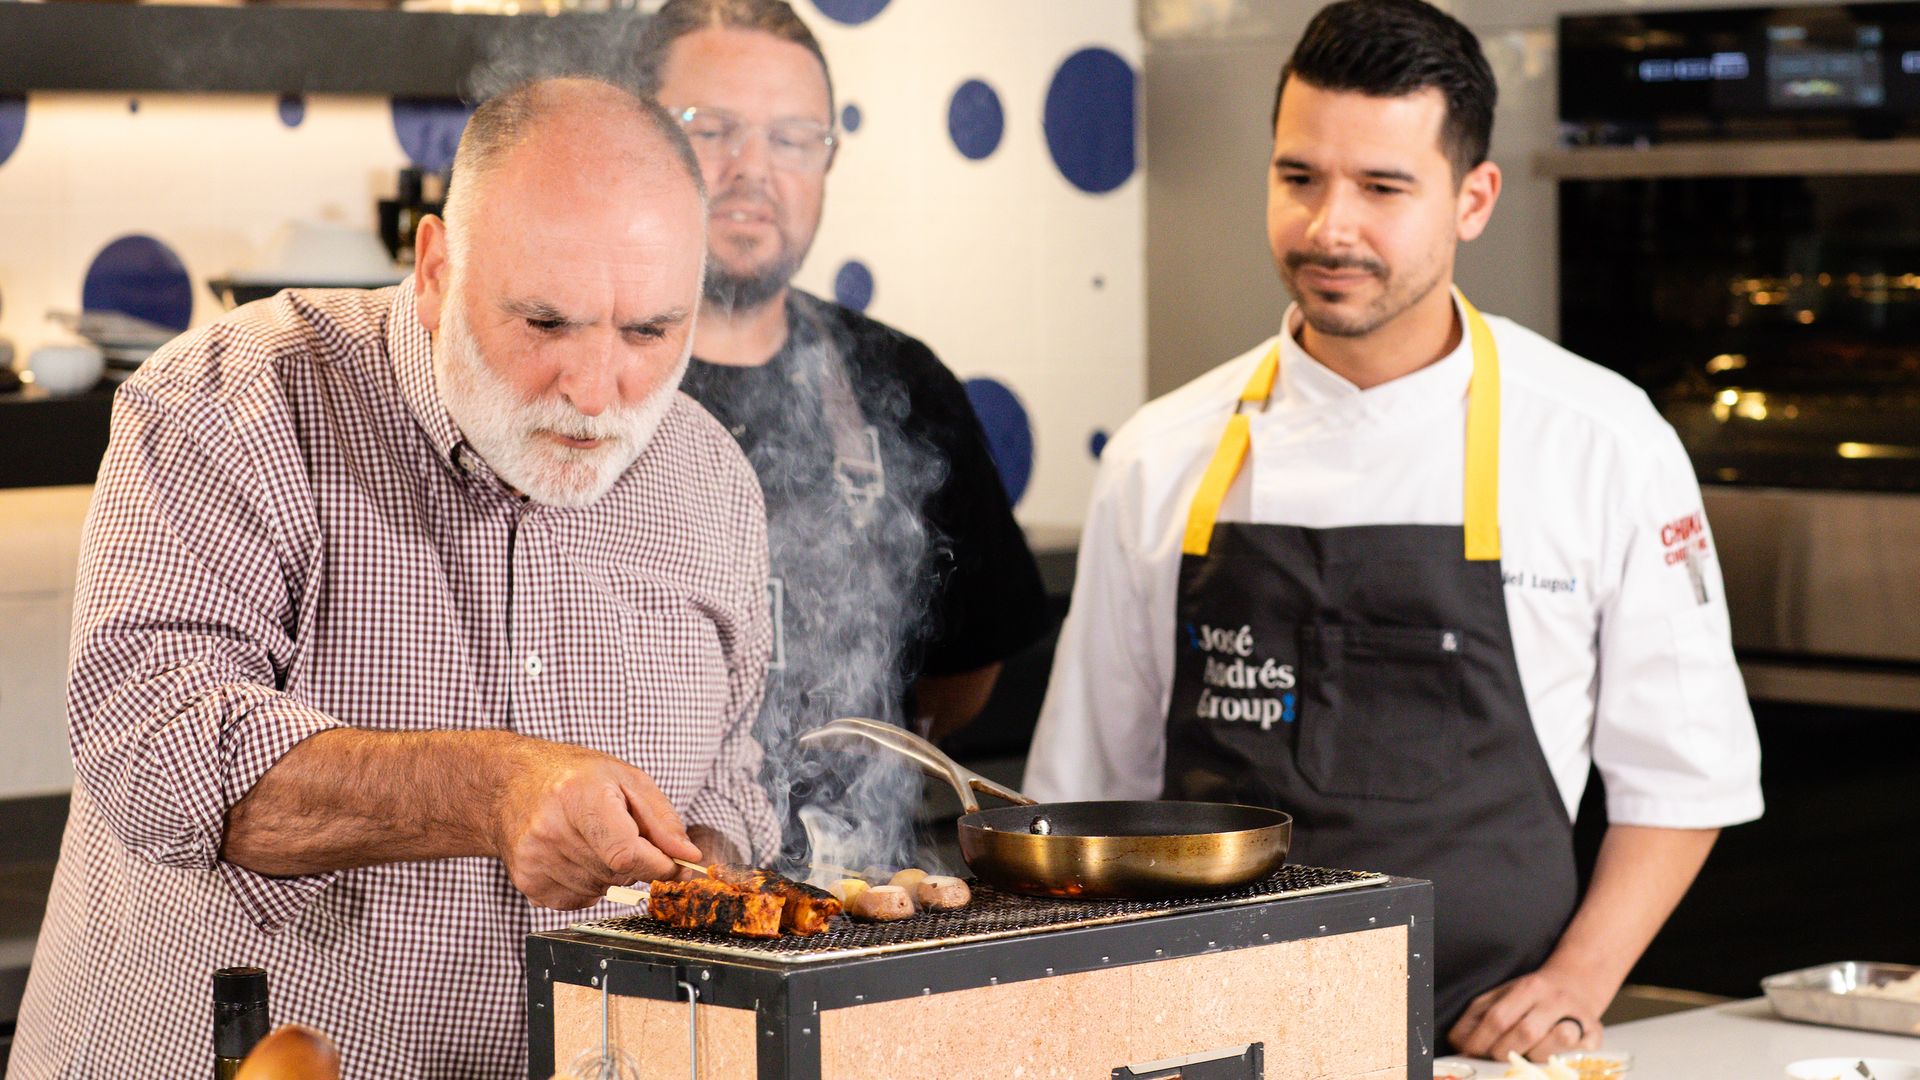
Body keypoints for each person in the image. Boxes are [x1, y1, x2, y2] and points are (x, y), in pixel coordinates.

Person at [1023, 0, 1762, 1061]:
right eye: (1298, 178)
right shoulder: (1162, 455)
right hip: (1207, 1040)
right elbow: (1086, 793)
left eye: (1382, 187)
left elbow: (1687, 776)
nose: (1330, 226)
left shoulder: (1603, 441)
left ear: (1473, 199)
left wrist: (1575, 980)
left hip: (1482, 1044)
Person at [12, 78, 776, 1078]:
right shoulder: (233, 398)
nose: (597, 393)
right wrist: (494, 791)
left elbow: (730, 775)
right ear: (433, 268)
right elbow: (155, 752)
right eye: (545, 324)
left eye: (647, 334)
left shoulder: (710, 479)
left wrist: (705, 862)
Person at [633, 0, 1051, 865]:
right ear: (638, 139)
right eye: (710, 128)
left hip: (850, 900)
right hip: (618, 898)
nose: (752, 169)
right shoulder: (575, 380)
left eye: (793, 138)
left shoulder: (902, 385)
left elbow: (967, 669)